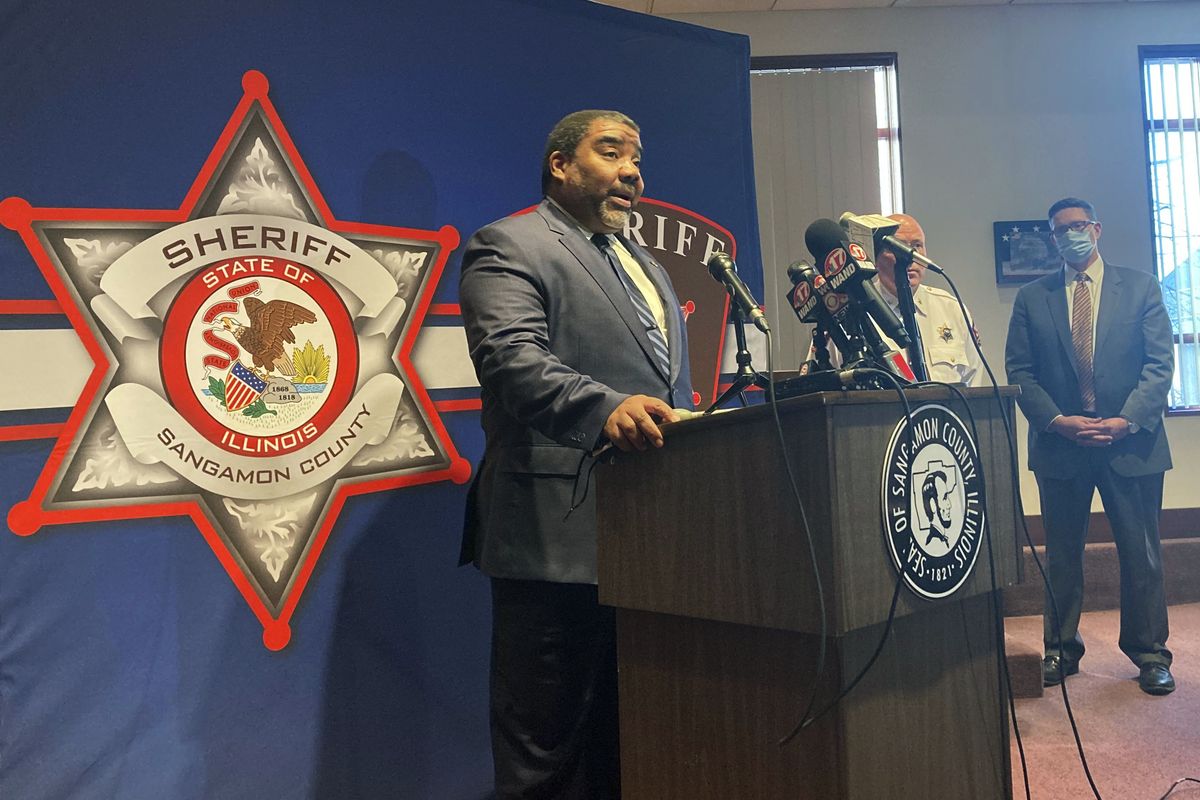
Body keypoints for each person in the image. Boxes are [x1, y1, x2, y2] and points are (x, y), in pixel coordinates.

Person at [458, 110, 693, 798]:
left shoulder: (642, 262)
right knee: (546, 751)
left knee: (625, 742)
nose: (631, 172)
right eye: (611, 153)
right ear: (560, 164)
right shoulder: (511, 244)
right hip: (551, 542)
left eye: (637, 160)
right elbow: (511, 359)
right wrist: (603, 409)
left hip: (643, 541)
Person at [1005, 197, 1175, 696]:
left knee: (1142, 554)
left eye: (1077, 226)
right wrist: (1059, 421)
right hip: (1062, 445)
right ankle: (1060, 647)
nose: (1069, 235)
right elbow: (1020, 372)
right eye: (1060, 231)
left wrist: (1125, 420)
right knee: (1061, 555)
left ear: (1097, 229)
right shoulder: (1032, 298)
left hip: (1132, 444)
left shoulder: (1140, 286)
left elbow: (1159, 366)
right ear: (1052, 239)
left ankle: (1149, 653)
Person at [874, 213, 984, 386]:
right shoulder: (853, 314)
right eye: (898, 246)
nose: (910, 256)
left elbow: (974, 382)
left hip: (946, 412)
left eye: (917, 246)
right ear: (875, 256)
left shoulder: (952, 309)